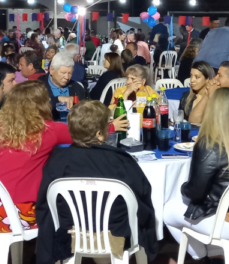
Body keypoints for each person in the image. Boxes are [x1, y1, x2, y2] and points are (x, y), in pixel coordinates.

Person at [35, 101, 158, 264]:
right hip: (116, 236)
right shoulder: (120, 161)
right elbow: (143, 196)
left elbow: (45, 204)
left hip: (71, 236)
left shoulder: (57, 161)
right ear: (100, 134)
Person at [164, 87, 229, 260]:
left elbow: (195, 193)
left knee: (168, 210)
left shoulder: (209, 145)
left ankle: (201, 256)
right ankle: (213, 252)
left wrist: (181, 188)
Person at [0, 81, 73, 232]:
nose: (50, 101)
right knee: (63, 210)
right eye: (46, 99)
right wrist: (112, 127)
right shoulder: (48, 130)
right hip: (19, 214)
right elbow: (85, 134)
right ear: (40, 104)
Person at [38, 51, 87, 120]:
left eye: (70, 73)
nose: (67, 77)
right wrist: (57, 99)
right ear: (52, 70)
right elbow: (34, 106)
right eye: (63, 73)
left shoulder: (77, 88)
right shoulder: (38, 86)